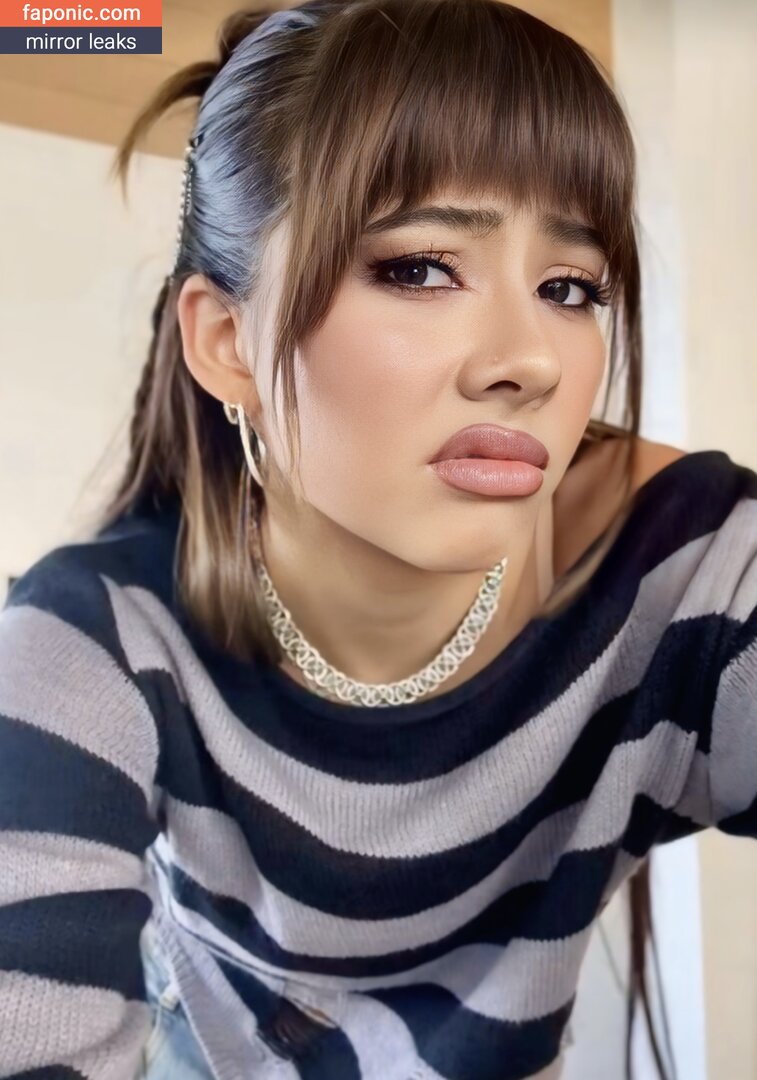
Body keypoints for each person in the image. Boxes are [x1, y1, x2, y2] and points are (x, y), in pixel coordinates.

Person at [0, 1, 755, 1078]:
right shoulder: (89, 640)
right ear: (228, 342)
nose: (530, 360)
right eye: (419, 268)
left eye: (568, 288)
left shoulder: (689, 566)